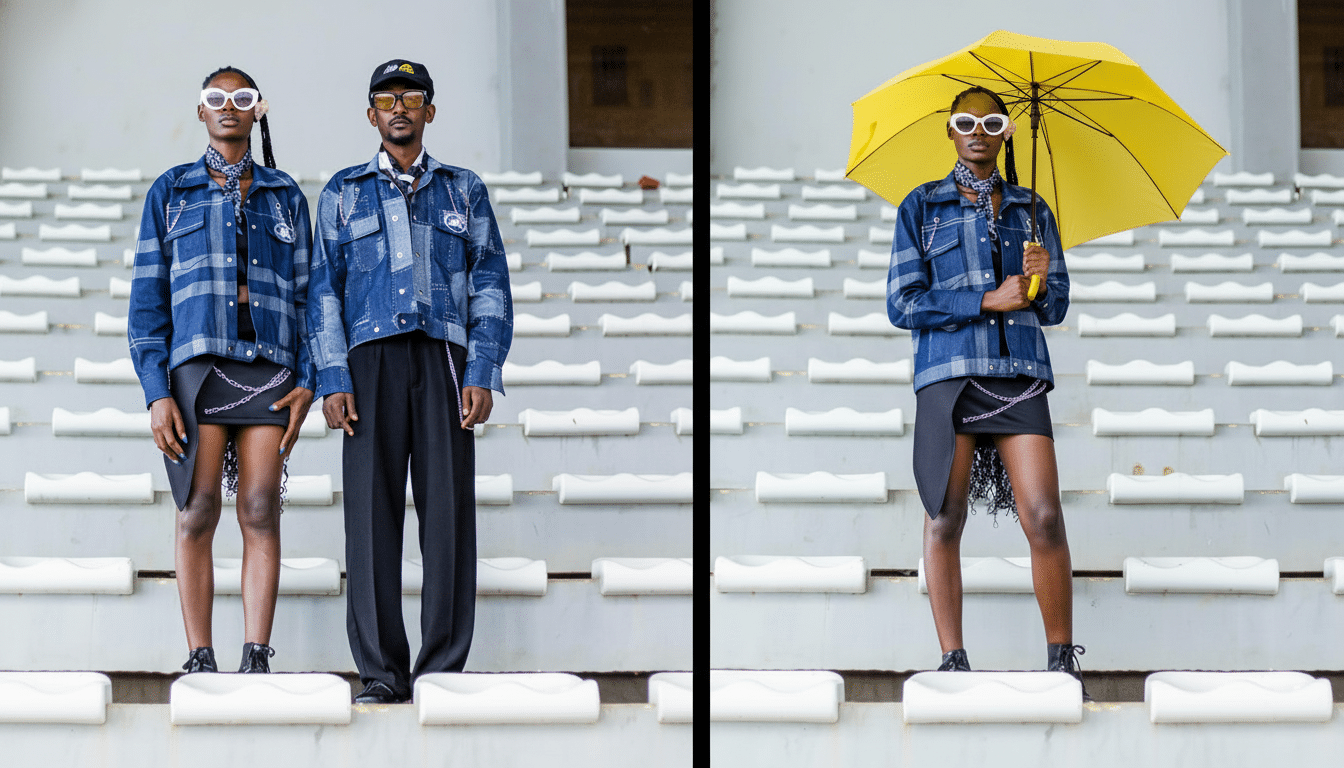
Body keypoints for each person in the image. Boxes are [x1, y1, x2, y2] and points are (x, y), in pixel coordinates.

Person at [307, 59, 513, 704]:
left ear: (430, 110)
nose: (400, 107)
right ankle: (381, 672)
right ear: (371, 114)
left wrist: (482, 368)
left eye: (412, 97)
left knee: (447, 515)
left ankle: (442, 669)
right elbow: (324, 292)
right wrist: (332, 375)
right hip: (368, 362)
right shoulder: (342, 191)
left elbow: (490, 283)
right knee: (370, 518)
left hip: (445, 360)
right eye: (386, 99)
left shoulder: (464, 189)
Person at [888, 86, 1085, 693]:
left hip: (1019, 372)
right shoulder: (921, 206)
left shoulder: (1033, 211)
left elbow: (1053, 309)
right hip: (949, 375)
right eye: (965, 120)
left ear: (1005, 133)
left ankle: (1061, 661)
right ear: (950, 130)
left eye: (991, 121)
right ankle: (953, 659)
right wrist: (984, 299)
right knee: (945, 516)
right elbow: (902, 302)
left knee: (1045, 515)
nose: (978, 129)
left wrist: (1041, 281)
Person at [129, 66, 315, 674]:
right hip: (198, 370)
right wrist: (157, 392)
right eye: (216, 98)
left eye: (241, 98)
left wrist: (309, 377)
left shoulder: (285, 193)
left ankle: (256, 654)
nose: (228, 106)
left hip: (268, 367)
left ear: (258, 109)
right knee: (198, 508)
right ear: (202, 111)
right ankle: (200, 655)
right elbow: (147, 302)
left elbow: (312, 296)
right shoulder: (171, 191)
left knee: (260, 507)